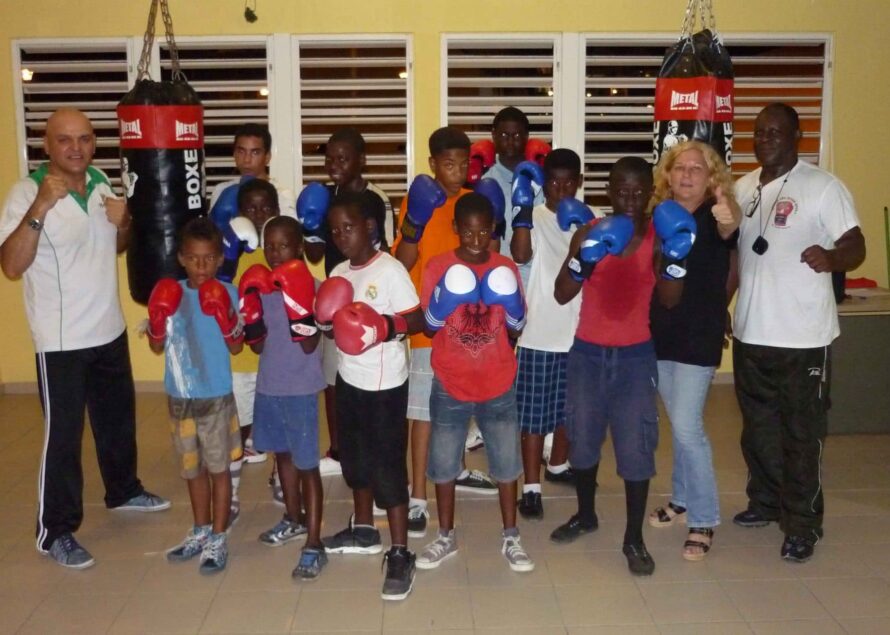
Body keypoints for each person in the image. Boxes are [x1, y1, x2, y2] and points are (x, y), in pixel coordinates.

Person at [0, 108, 170, 570]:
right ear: (46, 146)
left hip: (108, 328)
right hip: (61, 340)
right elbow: (11, 265)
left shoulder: (98, 181)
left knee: (118, 420)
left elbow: (113, 245)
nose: (76, 148)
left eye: (85, 139)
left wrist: (125, 222)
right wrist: (39, 208)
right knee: (64, 438)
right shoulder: (25, 192)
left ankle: (124, 490)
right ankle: (54, 531)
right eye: (64, 140)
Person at [731, 103, 865, 563]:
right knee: (759, 431)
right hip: (752, 333)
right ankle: (765, 503)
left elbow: (855, 244)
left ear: (797, 136)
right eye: (760, 131)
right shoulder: (743, 187)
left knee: (802, 435)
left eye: (776, 131)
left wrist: (833, 258)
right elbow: (737, 259)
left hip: (804, 336)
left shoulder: (823, 186)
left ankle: (804, 523)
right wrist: (716, 310)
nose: (766, 138)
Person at [549, 157, 661, 576]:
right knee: (581, 441)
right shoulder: (588, 232)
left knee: (636, 448)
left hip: (635, 356)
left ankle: (634, 537)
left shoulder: (659, 236)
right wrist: (585, 260)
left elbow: (669, 297)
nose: (630, 199)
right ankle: (585, 514)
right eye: (621, 190)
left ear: (650, 191)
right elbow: (561, 293)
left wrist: (675, 262)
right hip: (587, 354)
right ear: (608, 192)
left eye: (638, 191)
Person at [416, 192, 534, 573]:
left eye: (484, 232)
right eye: (468, 232)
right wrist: (443, 300)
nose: (476, 239)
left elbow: (517, 326)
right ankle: (445, 535)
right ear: (456, 230)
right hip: (450, 381)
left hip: (498, 380)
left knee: (505, 463)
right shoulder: (437, 266)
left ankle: (511, 535)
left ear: (493, 230)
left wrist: (513, 305)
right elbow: (431, 327)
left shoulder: (505, 267)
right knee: (444, 464)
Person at [318, 191, 425, 600]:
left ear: (368, 227)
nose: (341, 236)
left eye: (348, 227)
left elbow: (418, 319)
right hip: (349, 381)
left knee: (388, 468)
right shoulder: (340, 272)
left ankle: (400, 551)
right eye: (334, 231)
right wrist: (326, 325)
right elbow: (333, 325)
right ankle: (364, 529)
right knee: (354, 458)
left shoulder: (391, 270)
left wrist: (384, 325)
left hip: (384, 388)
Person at [391, 126, 497, 539]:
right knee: (422, 413)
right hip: (427, 329)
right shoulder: (416, 201)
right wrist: (414, 222)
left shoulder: (475, 203)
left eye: (462, 163)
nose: (456, 171)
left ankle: (456, 469)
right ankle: (418, 495)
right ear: (433, 164)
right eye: (447, 164)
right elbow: (401, 262)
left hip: (469, 321)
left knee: (462, 405)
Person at [646, 140, 740, 561]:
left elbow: (729, 230)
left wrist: (728, 213)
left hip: (699, 332)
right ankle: (682, 499)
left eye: (696, 169)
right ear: (667, 174)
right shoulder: (660, 216)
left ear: (711, 178)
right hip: (661, 330)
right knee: (679, 421)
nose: (686, 175)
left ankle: (703, 518)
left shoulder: (714, 212)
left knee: (687, 426)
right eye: (679, 167)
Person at [147, 217, 244, 575]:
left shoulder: (228, 293)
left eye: (208, 258)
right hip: (179, 396)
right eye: (193, 257)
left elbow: (236, 347)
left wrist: (226, 316)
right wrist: (157, 319)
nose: (201, 266)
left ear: (220, 259)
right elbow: (157, 345)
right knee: (192, 470)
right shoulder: (168, 293)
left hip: (215, 396)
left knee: (219, 469)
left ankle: (219, 535)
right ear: (181, 258)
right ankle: (201, 530)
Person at [300, 127, 394, 478]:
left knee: (370, 378)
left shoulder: (375, 198)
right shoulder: (322, 196)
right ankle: (339, 450)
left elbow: (388, 253)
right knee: (333, 378)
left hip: (368, 298)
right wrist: (310, 225)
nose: (334, 165)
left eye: (342, 158)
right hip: (333, 296)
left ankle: (371, 443)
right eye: (329, 159)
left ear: (361, 160)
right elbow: (314, 253)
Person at [510, 148, 598, 519]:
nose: (560, 189)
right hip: (540, 334)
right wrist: (524, 211)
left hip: (581, 332)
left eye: (568, 182)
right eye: (553, 182)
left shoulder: (592, 221)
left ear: (578, 182)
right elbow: (519, 254)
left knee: (571, 411)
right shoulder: (537, 215)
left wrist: (587, 229)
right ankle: (531, 489)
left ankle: (558, 465)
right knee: (533, 416)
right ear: (543, 184)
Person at [244, 216, 328, 579]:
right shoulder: (261, 287)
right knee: (282, 457)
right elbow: (259, 345)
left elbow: (311, 344)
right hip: (269, 386)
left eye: (283, 246)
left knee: (307, 465)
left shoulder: (314, 286)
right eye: (270, 245)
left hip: (301, 389)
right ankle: (293, 517)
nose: (275, 253)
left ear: (298, 248)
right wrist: (250, 315)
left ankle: (314, 541)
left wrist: (298, 304)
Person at [224, 178, 282, 523]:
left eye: (265, 209)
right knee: (238, 430)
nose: (258, 215)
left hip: (275, 357)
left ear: (275, 212)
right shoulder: (230, 251)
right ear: (239, 213)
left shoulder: (280, 248)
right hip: (240, 360)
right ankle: (229, 493)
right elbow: (217, 293)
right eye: (251, 209)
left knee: (277, 420)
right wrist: (229, 259)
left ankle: (279, 475)